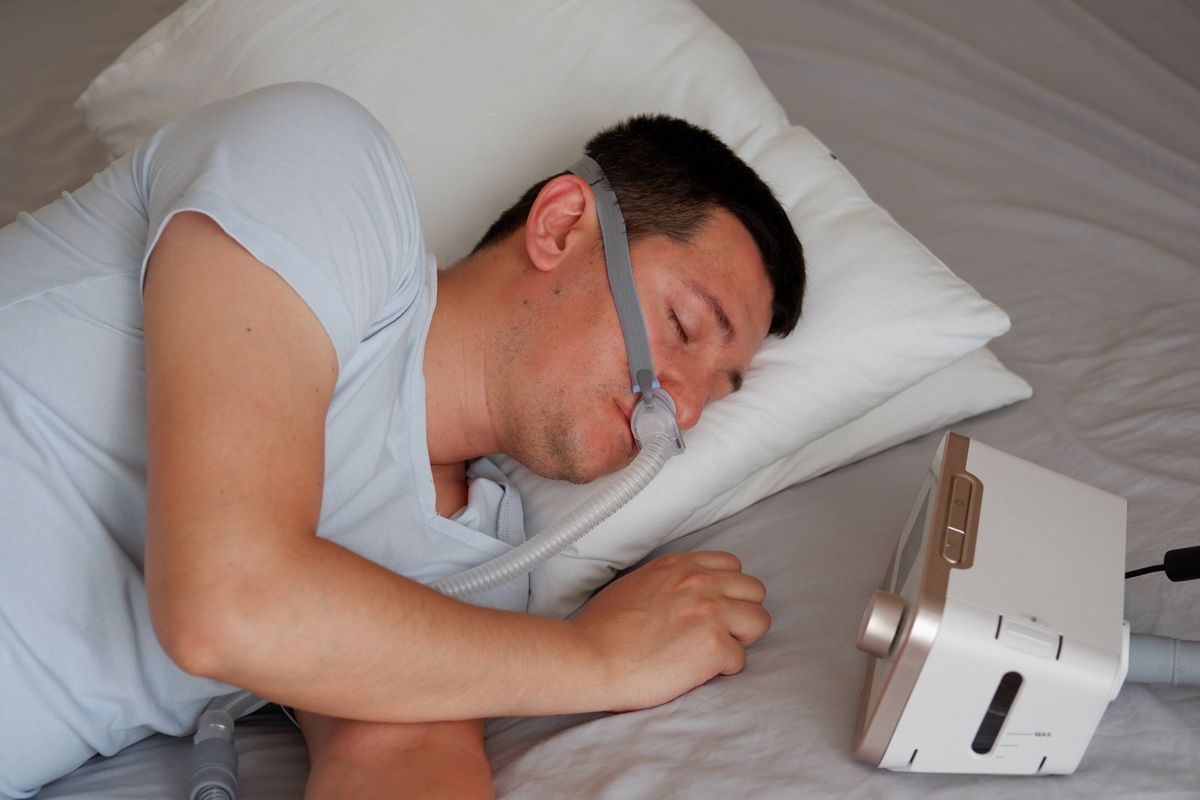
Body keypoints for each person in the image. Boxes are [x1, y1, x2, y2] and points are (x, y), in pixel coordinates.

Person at [0, 82, 804, 798]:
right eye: (685, 326)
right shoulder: (322, 170)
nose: (685, 408)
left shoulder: (480, 573)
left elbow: (394, 763)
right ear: (561, 227)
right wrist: (598, 660)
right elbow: (227, 599)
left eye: (718, 390)